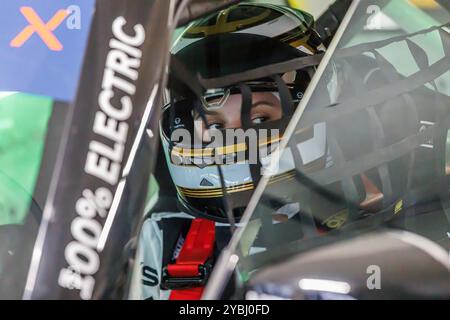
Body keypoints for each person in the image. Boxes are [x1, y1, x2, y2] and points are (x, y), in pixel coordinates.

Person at [129, 3, 328, 300]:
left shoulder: (367, 211)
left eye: (260, 119)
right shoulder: (168, 235)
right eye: (217, 126)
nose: (235, 141)